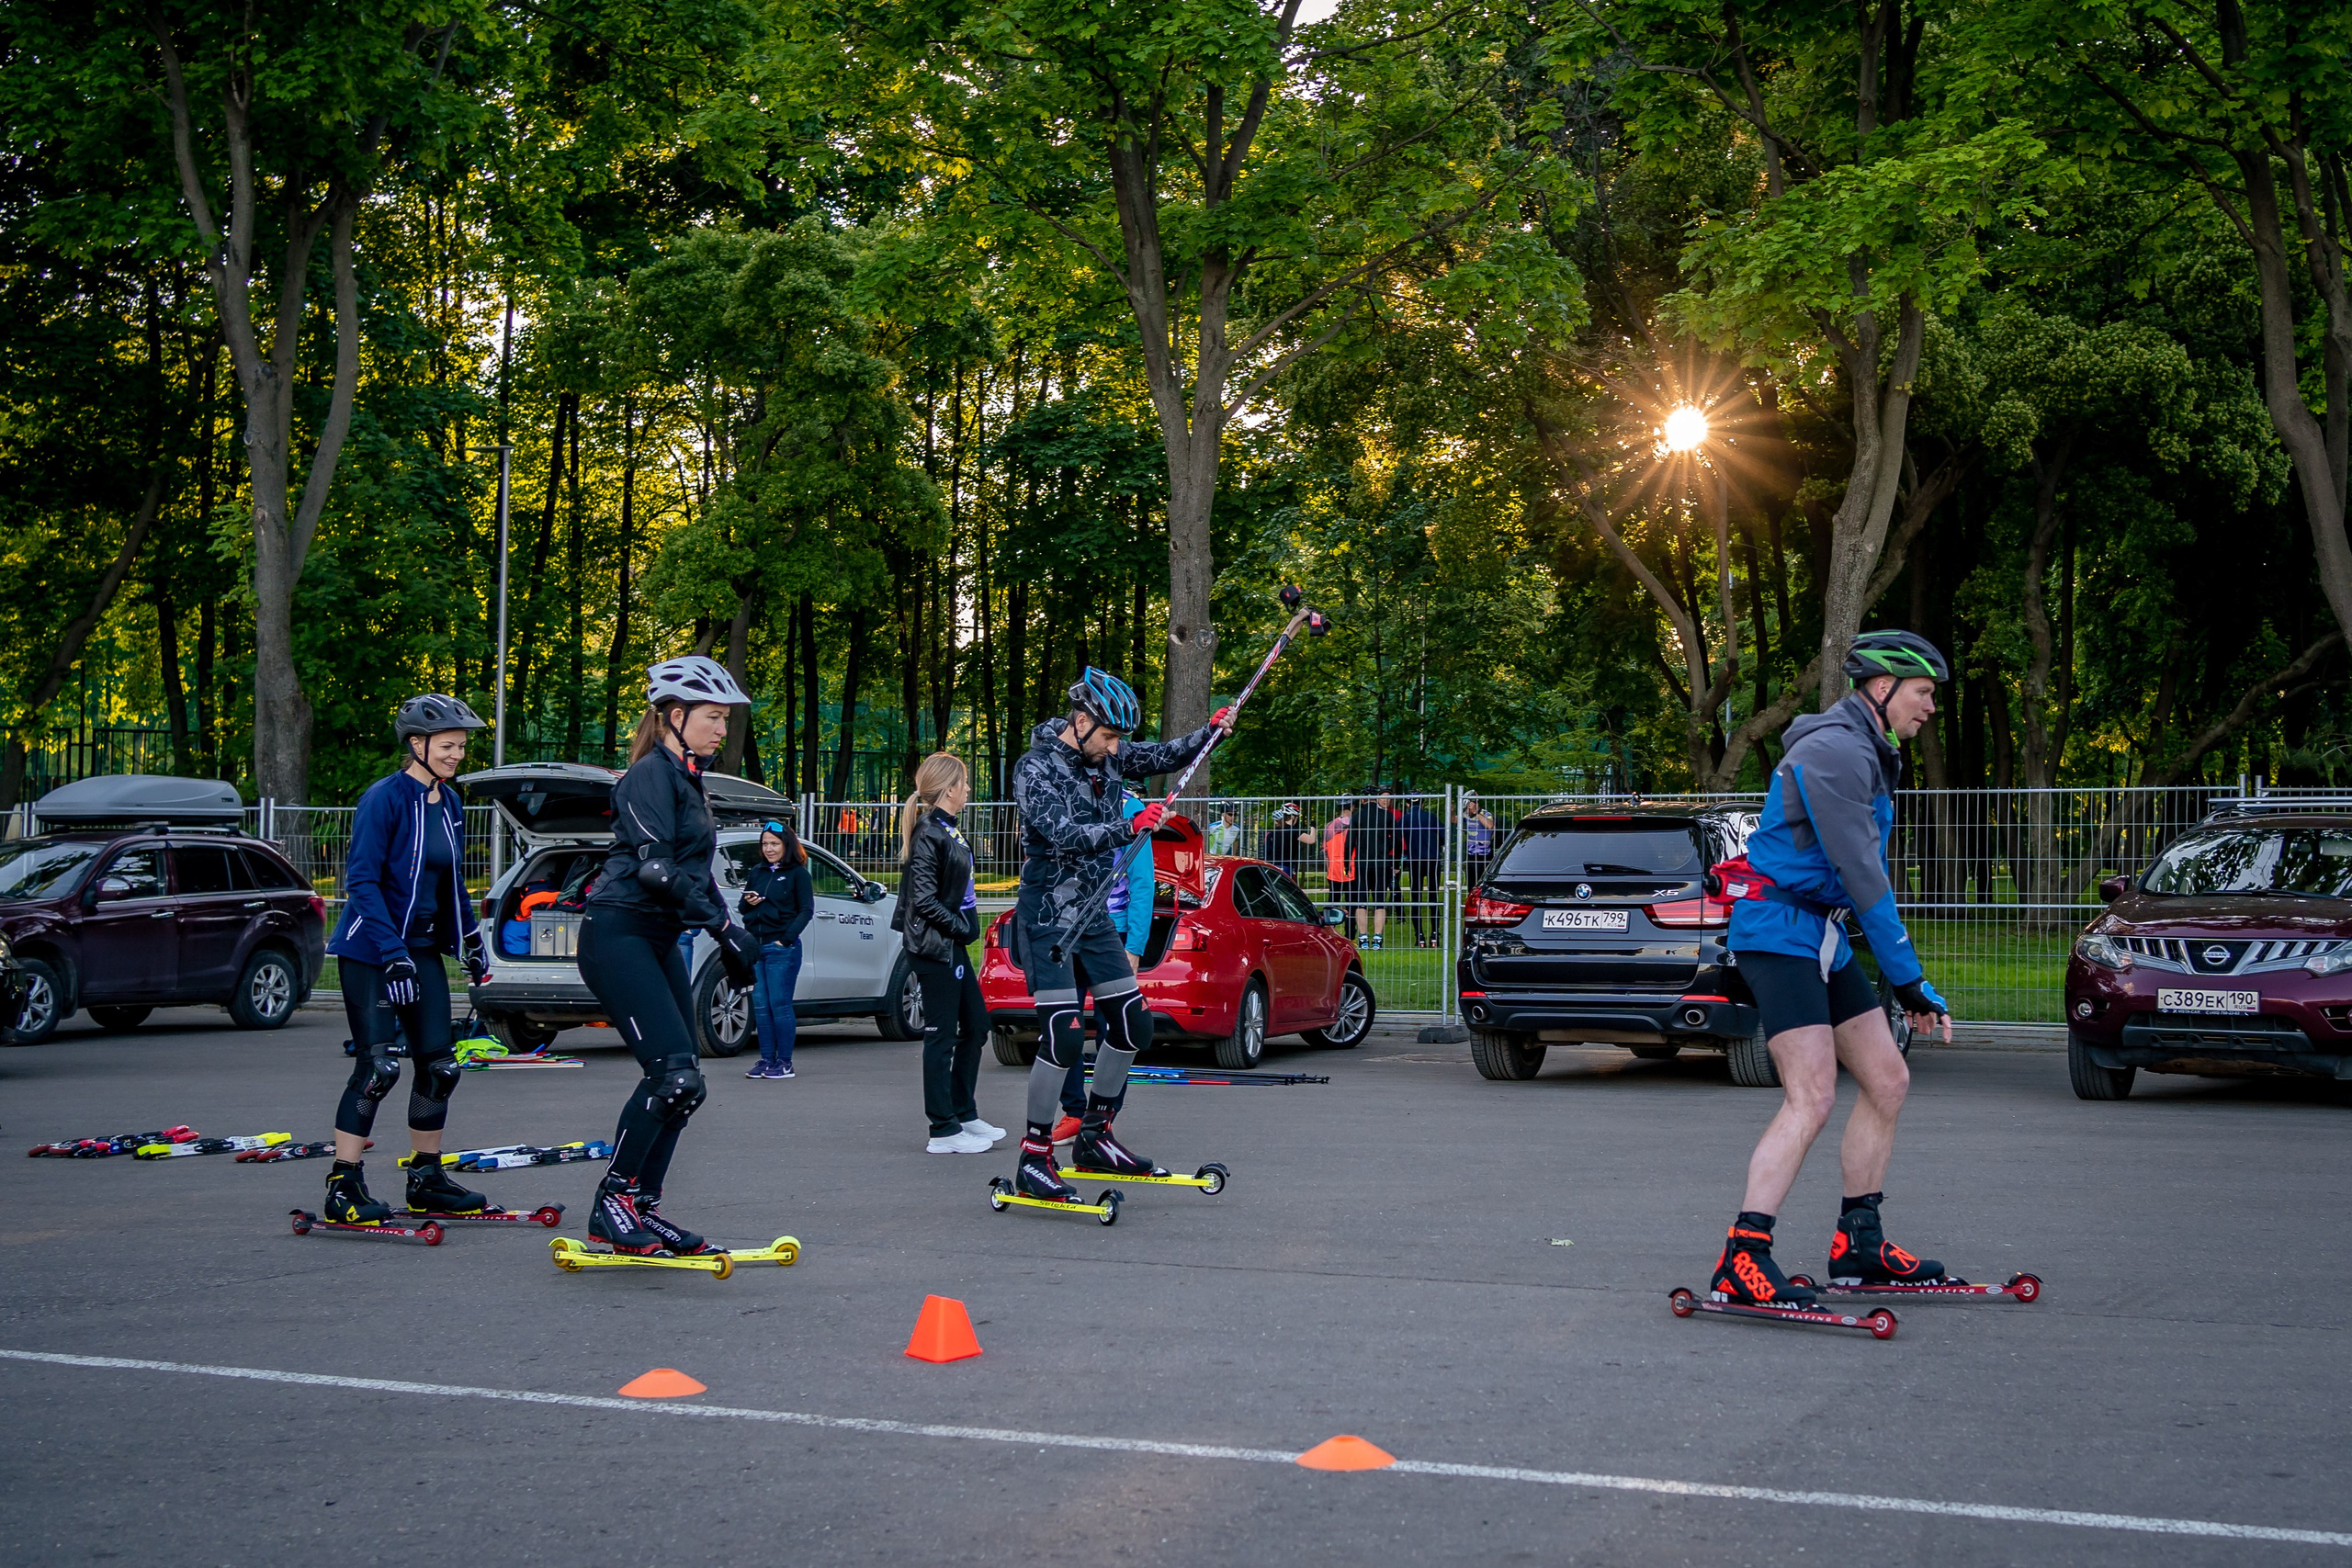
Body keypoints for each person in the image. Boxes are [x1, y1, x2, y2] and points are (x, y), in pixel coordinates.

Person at [1708, 630, 1956, 1310]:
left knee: (1887, 1077)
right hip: (1778, 929)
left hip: (1821, 931)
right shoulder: (1835, 752)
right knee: (1811, 1095)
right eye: (1923, 692)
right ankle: (1743, 1256)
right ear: (1881, 689)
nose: (1931, 706)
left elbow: (1853, 877)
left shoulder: (1867, 750)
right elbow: (1862, 871)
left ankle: (1860, 1244)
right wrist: (1908, 977)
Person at [1008, 668, 1231, 1201]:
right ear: (1080, 721)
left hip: (1094, 915)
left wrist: (1210, 731)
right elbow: (1063, 833)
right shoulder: (1034, 768)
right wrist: (1127, 827)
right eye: (1107, 735)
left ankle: (1096, 1135)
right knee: (1062, 1036)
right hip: (1049, 914)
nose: (1114, 748)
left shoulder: (1106, 757)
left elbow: (1160, 755)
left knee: (1133, 1023)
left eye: (1116, 740)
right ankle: (1034, 1157)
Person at [580, 655, 763, 1257]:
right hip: (617, 932)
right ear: (675, 715)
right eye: (713, 716)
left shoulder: (689, 781)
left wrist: (729, 932)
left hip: (655, 937)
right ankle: (613, 1202)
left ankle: (641, 1205)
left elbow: (696, 874)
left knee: (687, 1083)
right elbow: (657, 869)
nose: (722, 729)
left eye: (725, 718)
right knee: (671, 1075)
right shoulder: (646, 777)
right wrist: (721, 928)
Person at [321, 694, 494, 1224]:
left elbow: (451, 885)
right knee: (378, 1066)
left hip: (418, 950)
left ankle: (426, 1177)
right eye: (447, 746)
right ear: (416, 744)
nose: (456, 755)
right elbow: (363, 883)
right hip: (372, 949)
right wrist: (392, 954)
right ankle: (343, 1186)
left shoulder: (452, 804)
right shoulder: (385, 799)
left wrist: (469, 938)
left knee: (440, 1066)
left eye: (461, 747)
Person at [896, 752, 1003, 1154]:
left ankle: (964, 1112)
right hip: (935, 949)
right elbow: (922, 900)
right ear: (949, 789)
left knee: (976, 1027)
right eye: (964, 782)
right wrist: (962, 928)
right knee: (941, 1036)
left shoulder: (948, 829)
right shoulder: (929, 832)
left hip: (951, 946)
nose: (968, 789)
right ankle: (942, 1130)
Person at [740, 817, 812, 1080]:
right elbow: (743, 908)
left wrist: (786, 939)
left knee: (779, 1004)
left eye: (774, 844)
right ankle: (765, 1061)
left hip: (782, 949)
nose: (769, 849)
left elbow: (806, 911)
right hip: (756, 948)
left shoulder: (798, 874)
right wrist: (749, 902)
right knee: (760, 1006)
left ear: (786, 845)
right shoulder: (757, 872)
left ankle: (784, 1063)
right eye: (765, 844)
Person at [1350, 786, 1403, 949]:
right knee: (1380, 902)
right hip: (1382, 862)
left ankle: (1363, 938)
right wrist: (1394, 860)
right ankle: (1377, 939)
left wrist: (1346, 862)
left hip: (1363, 863)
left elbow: (1350, 841)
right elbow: (1397, 840)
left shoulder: (1358, 816)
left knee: (1361, 902)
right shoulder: (1386, 816)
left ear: (1363, 800)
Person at [1396, 789, 1444, 947]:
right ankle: (1435, 935)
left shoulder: (1405, 819)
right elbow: (1444, 836)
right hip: (1433, 860)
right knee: (1433, 897)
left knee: (1416, 898)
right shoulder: (1431, 817)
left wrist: (1404, 852)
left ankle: (1420, 936)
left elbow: (1396, 839)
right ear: (1423, 803)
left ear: (1408, 804)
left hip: (1415, 861)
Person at [1462, 792, 1498, 885]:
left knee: (1482, 883)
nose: (1466, 811)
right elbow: (1454, 820)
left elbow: (1490, 825)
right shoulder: (1466, 814)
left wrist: (1476, 813)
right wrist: (1451, 812)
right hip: (1471, 855)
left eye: (1467, 808)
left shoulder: (1485, 814)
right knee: (1471, 884)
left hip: (1484, 855)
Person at [1259, 801, 1303, 874]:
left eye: (1277, 820)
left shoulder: (1272, 833)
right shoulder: (1292, 831)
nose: (1276, 823)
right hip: (1284, 865)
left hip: (1273, 865)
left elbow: (1266, 851)